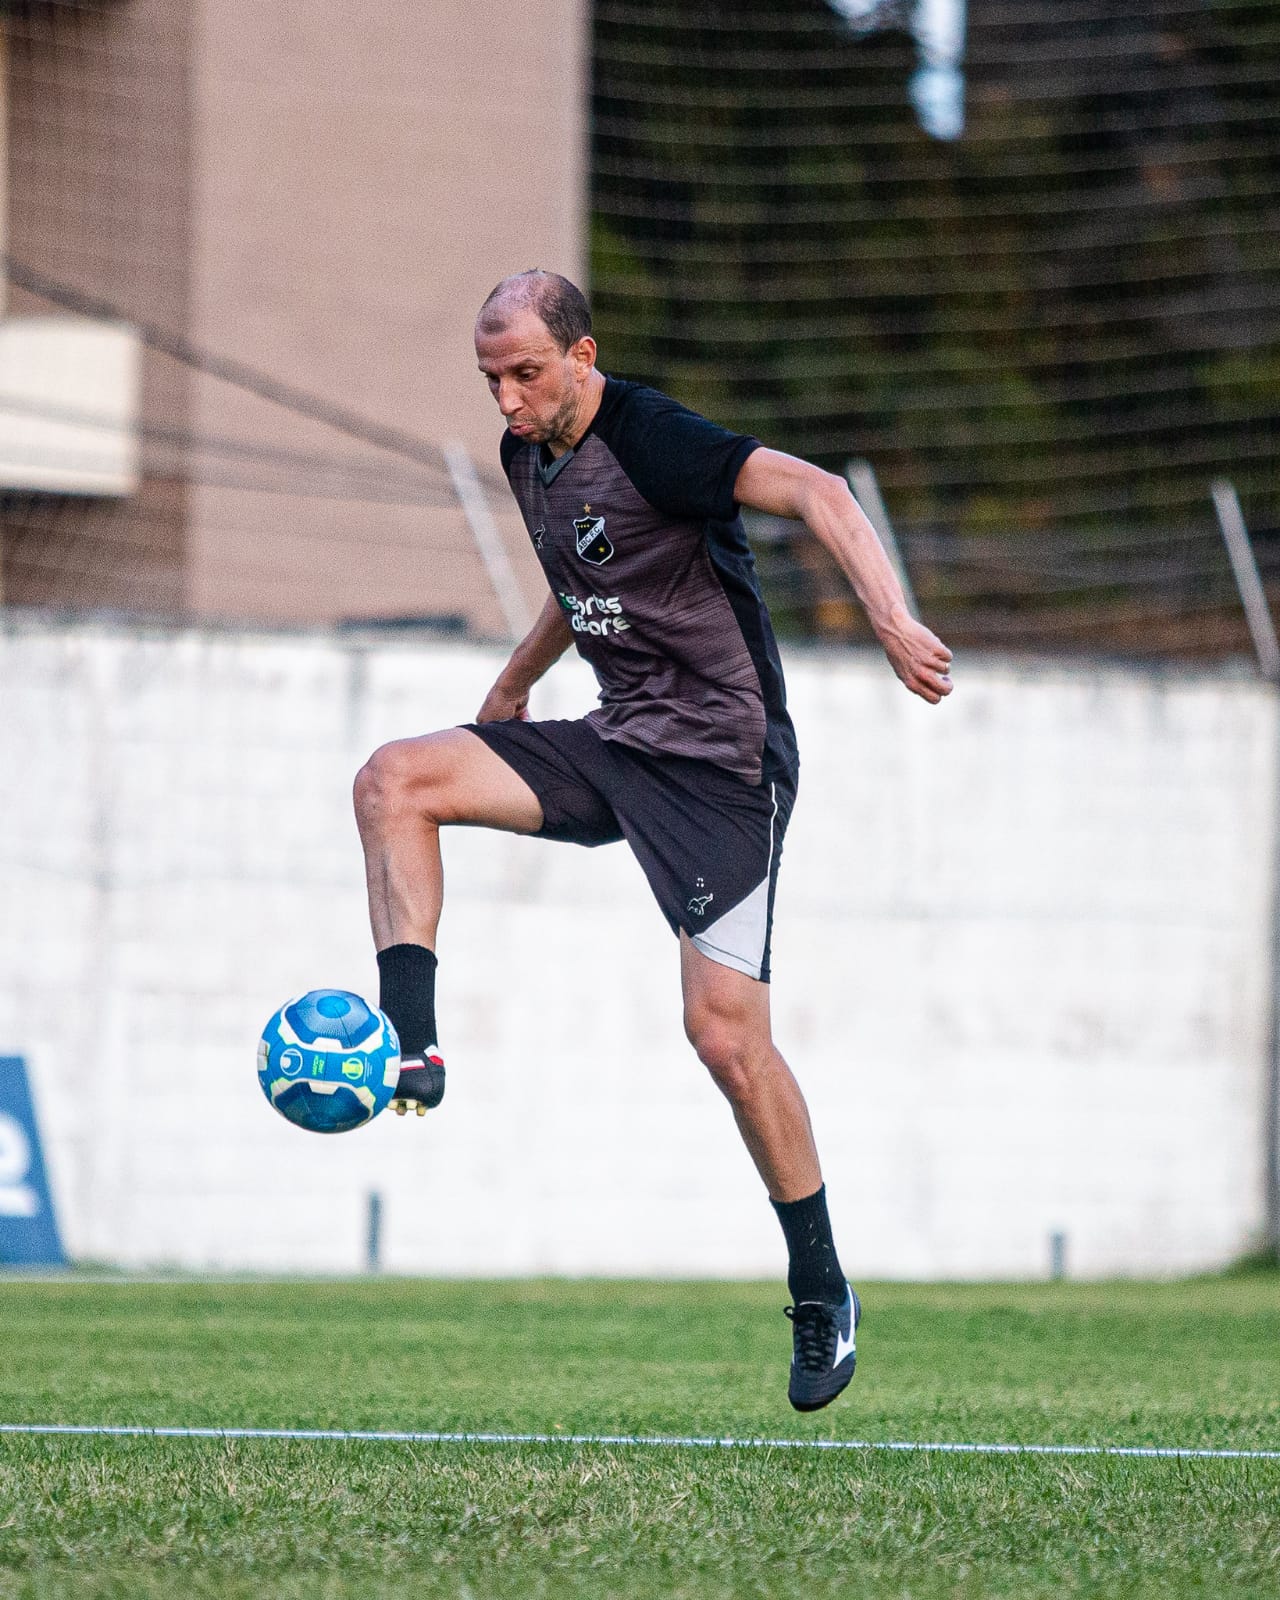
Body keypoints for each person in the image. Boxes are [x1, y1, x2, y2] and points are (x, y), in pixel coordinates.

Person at [353, 269, 952, 1411]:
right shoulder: (526, 457)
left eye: (525, 374)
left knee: (722, 1039)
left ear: (583, 356)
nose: (507, 401)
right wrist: (516, 682)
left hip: (722, 769)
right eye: (490, 380)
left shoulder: (654, 437)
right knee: (393, 780)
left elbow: (819, 490)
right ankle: (412, 1050)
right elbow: (581, 577)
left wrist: (889, 616)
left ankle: (822, 1286)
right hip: (615, 741)